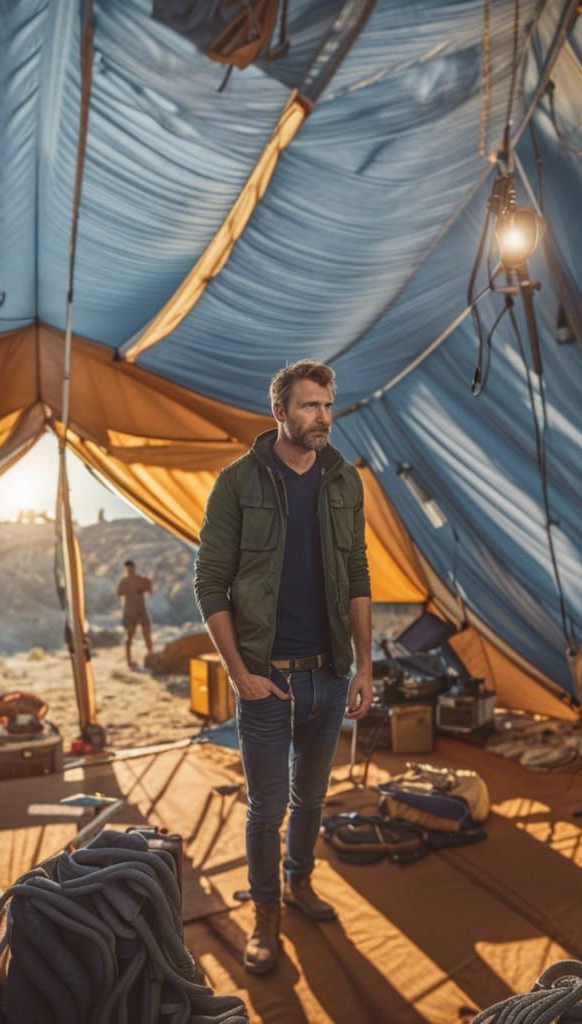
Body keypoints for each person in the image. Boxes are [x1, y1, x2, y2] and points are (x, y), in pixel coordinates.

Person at [194, 359, 373, 975]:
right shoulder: (238, 483)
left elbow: (357, 575)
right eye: (309, 406)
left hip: (329, 674)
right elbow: (210, 584)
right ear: (279, 412)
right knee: (266, 808)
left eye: (327, 405)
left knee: (313, 799)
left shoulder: (344, 481)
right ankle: (265, 912)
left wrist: (365, 666)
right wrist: (239, 674)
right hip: (267, 680)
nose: (323, 417)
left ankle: (300, 882)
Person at [116, 560, 153, 669]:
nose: (130, 570)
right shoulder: (124, 581)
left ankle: (151, 655)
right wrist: (130, 591)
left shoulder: (141, 579)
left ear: (134, 568)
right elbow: (119, 593)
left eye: (132, 568)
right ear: (126, 569)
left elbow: (150, 589)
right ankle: (129, 661)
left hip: (141, 610)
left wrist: (144, 588)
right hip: (130, 611)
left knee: (147, 632)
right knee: (129, 636)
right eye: (128, 569)